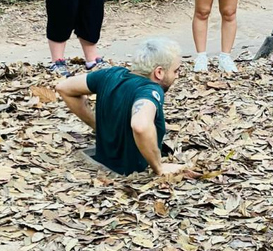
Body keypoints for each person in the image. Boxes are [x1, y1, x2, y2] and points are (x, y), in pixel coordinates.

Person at [55, 38, 188, 176]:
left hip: (104, 164)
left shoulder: (111, 74)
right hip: (132, 174)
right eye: (175, 71)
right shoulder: (149, 90)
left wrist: (97, 125)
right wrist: (158, 167)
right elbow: (140, 126)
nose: (178, 75)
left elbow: (64, 88)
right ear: (159, 72)